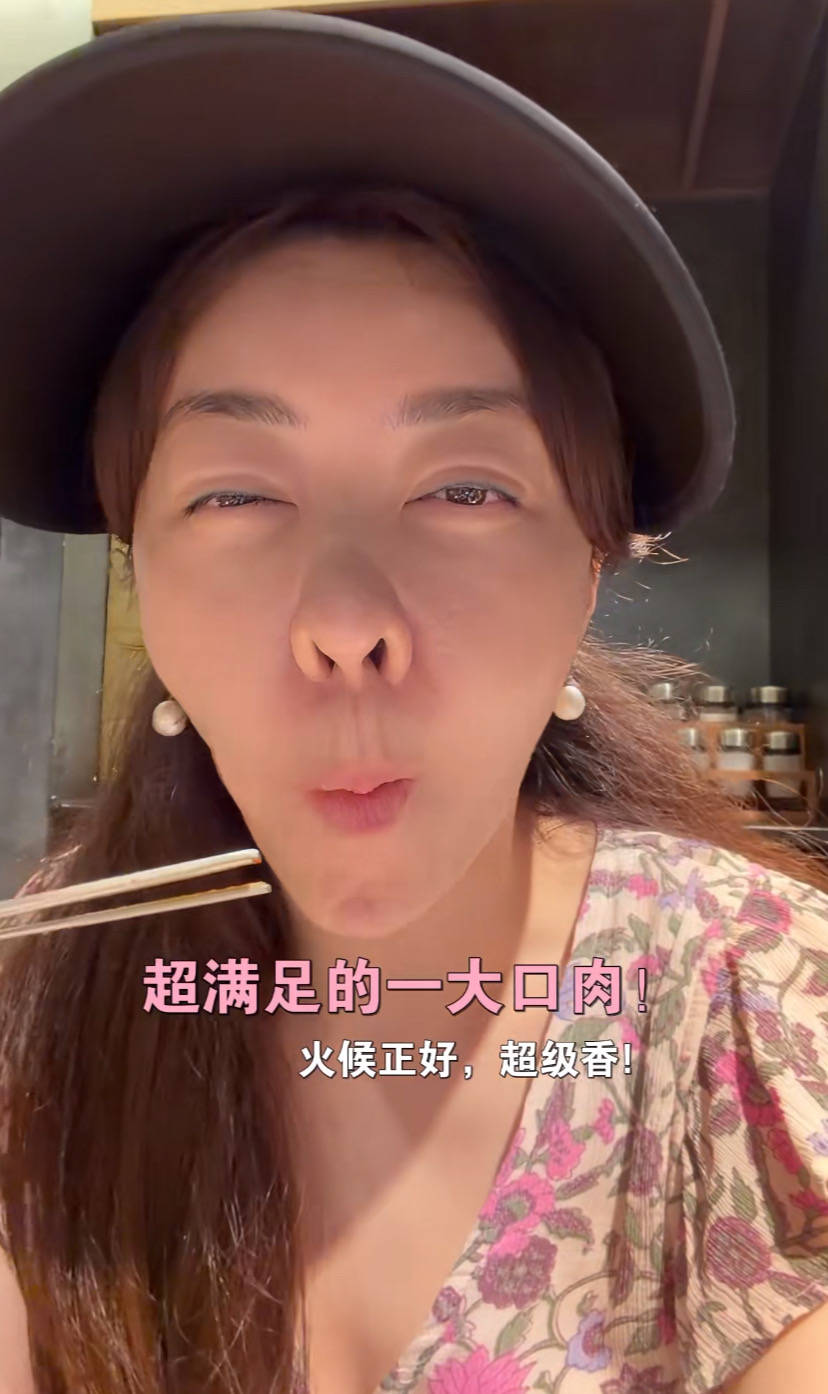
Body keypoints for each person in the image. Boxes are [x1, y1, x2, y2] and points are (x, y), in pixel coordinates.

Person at [0, 15, 826, 1394]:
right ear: (142, 571)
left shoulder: (753, 1003)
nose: (345, 624)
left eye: (464, 488)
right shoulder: (46, 1008)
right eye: (235, 494)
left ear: (590, 568)